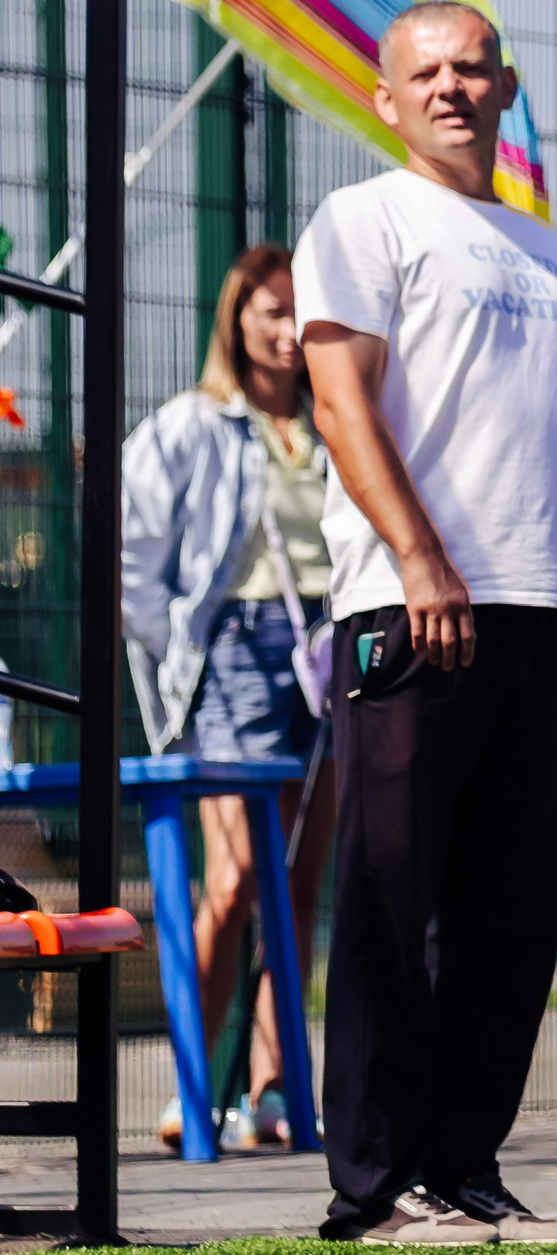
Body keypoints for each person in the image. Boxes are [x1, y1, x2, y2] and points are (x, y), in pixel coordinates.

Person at [297, 0, 557, 1247]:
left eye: (474, 69)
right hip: (410, 606)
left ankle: (463, 1165)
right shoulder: (361, 220)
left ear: (508, 86)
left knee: (513, 907)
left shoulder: (547, 248)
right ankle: (373, 1187)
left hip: (534, 607)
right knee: (386, 899)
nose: (453, 88)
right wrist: (419, 562)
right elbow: (341, 406)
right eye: (428, 73)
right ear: (386, 97)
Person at [123, 242, 335, 1152]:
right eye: (270, 311)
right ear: (237, 318)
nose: (288, 330)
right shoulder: (193, 423)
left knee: (296, 884)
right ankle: (191, 1083)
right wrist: (173, 654)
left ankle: (276, 1090)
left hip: (331, 650)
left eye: (301, 312)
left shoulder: (337, 422)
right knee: (234, 876)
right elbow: (133, 560)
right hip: (238, 650)